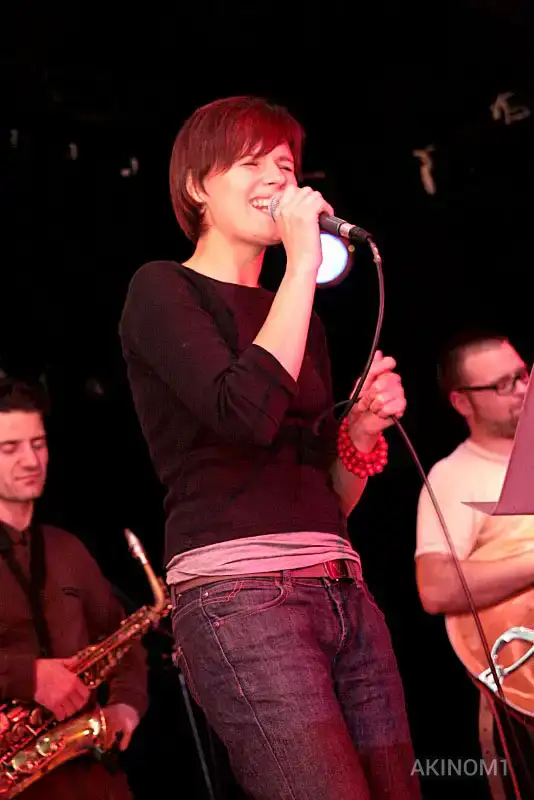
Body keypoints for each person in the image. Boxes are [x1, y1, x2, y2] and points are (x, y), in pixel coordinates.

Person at [119, 95, 420, 800]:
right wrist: (302, 264)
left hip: (342, 589)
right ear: (197, 186)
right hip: (243, 598)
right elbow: (243, 415)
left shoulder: (298, 316)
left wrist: (360, 433)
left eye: (285, 166)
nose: (277, 180)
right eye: (251, 164)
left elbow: (330, 497)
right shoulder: (163, 287)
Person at [0, 378, 148, 799]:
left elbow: (123, 642)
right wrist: (28, 677)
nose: (31, 460)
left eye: (38, 444)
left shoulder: (67, 549)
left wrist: (125, 705)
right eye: (10, 448)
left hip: (93, 781)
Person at [415, 329, 534, 799]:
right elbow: (436, 588)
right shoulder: (453, 477)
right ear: (462, 402)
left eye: (522, 375)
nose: (522, 390)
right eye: (503, 385)